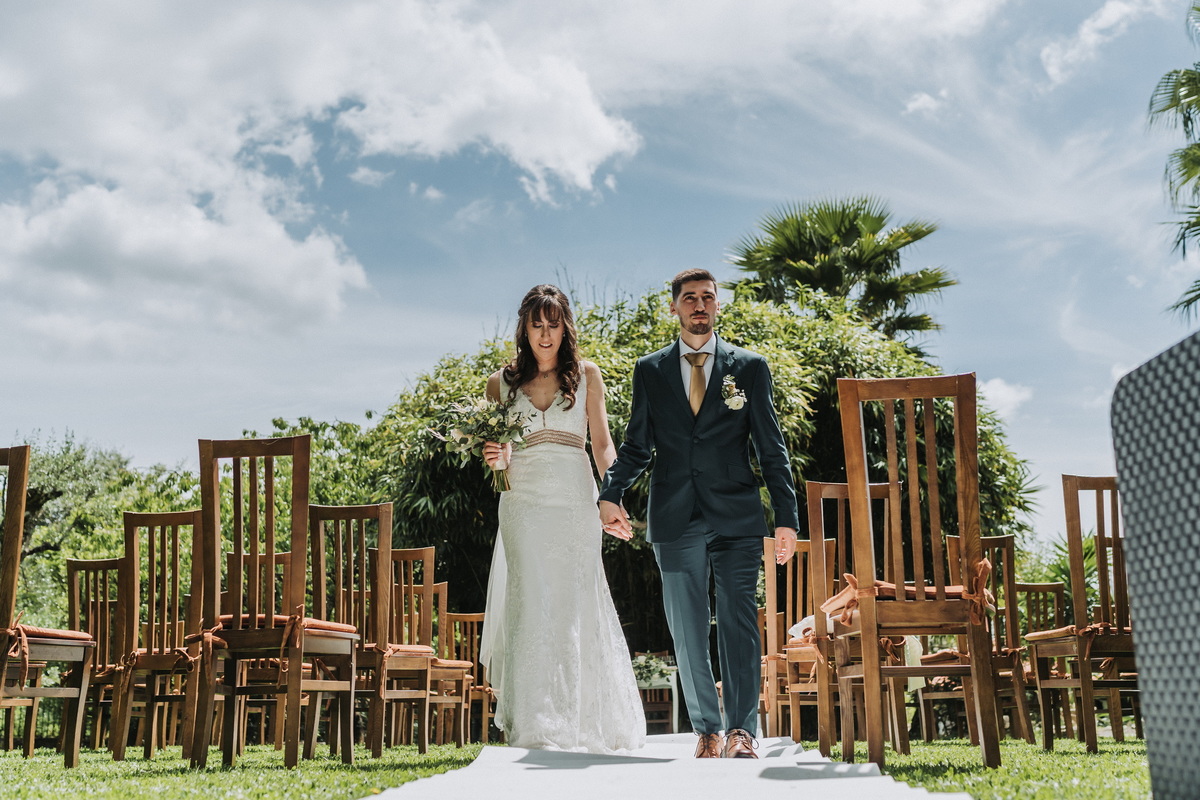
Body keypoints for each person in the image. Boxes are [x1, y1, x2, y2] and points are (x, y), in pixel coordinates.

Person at [598, 268, 799, 759]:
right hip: (674, 514)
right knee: (687, 628)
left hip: (737, 514)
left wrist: (786, 517)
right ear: (675, 307)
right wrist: (610, 493)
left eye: (708, 297)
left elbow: (771, 447)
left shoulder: (749, 367)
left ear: (717, 305)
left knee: (738, 622)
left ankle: (742, 731)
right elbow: (637, 445)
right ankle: (707, 731)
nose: (700, 305)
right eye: (690, 298)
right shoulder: (650, 370)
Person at [478, 284, 646, 754]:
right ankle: (536, 724)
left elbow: (603, 445)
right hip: (522, 504)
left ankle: (581, 720)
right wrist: (495, 458)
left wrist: (612, 496)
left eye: (553, 325)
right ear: (524, 329)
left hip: (575, 501)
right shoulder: (499, 384)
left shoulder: (587, 375)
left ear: (565, 328)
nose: (545, 334)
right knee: (531, 601)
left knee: (574, 603)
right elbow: (498, 455)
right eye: (537, 325)